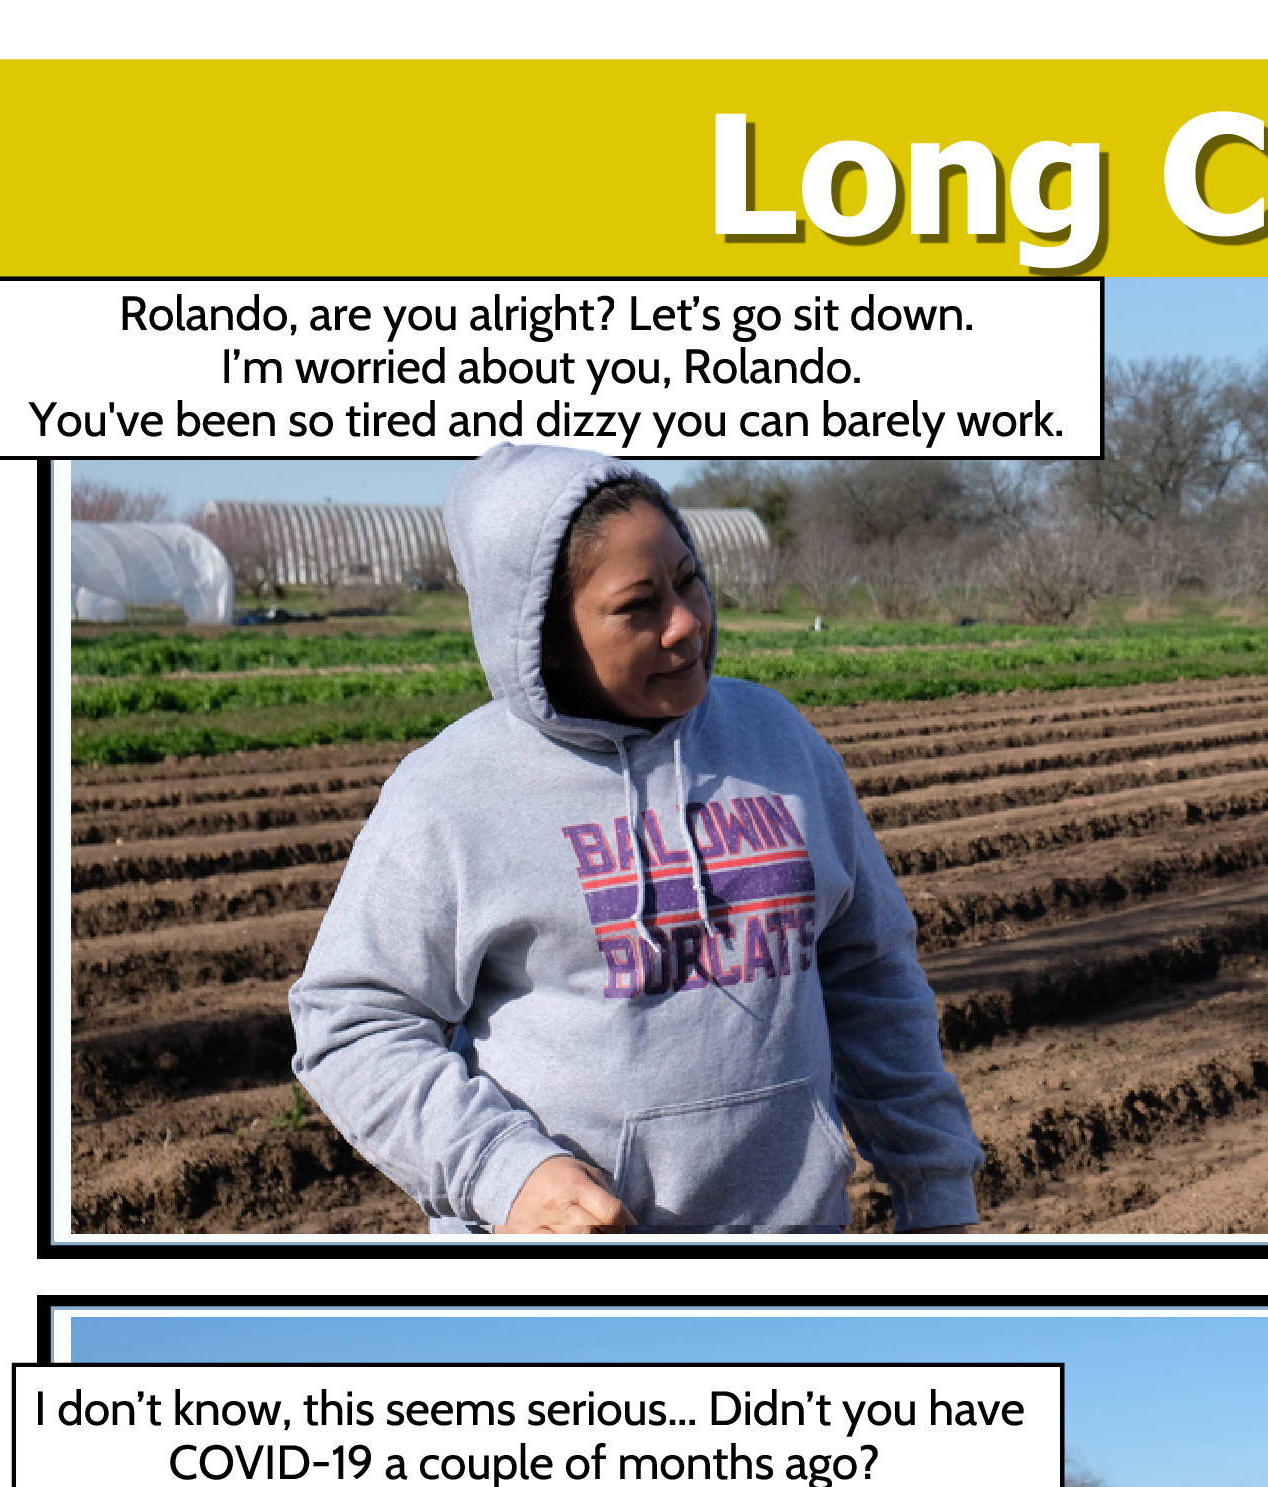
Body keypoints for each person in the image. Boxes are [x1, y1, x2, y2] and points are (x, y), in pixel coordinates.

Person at [290, 444, 983, 1234]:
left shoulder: (778, 744)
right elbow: (351, 1021)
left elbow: (871, 978)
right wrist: (504, 1171)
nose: (685, 623)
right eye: (638, 605)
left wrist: (936, 1191)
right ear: (543, 636)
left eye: (688, 580)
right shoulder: (450, 797)